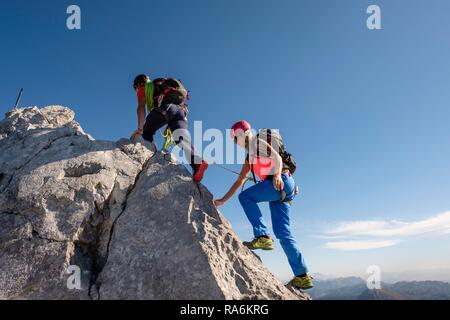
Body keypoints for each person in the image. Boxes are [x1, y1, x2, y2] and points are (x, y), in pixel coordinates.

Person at [213, 120, 313, 290]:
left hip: (280, 181)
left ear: (242, 134)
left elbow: (277, 158)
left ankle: (262, 236)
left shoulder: (258, 143)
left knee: (246, 197)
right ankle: (302, 276)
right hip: (285, 188)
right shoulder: (249, 157)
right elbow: (240, 180)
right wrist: (223, 200)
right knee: (283, 233)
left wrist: (277, 175)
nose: (235, 143)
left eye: (235, 138)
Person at [131, 74, 208, 183]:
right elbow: (174, 108)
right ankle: (198, 163)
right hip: (181, 112)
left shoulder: (144, 87)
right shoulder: (161, 86)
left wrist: (140, 129)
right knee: (181, 140)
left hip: (166, 107)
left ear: (138, 85)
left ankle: (151, 156)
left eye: (136, 89)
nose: (137, 91)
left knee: (147, 132)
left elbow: (140, 107)